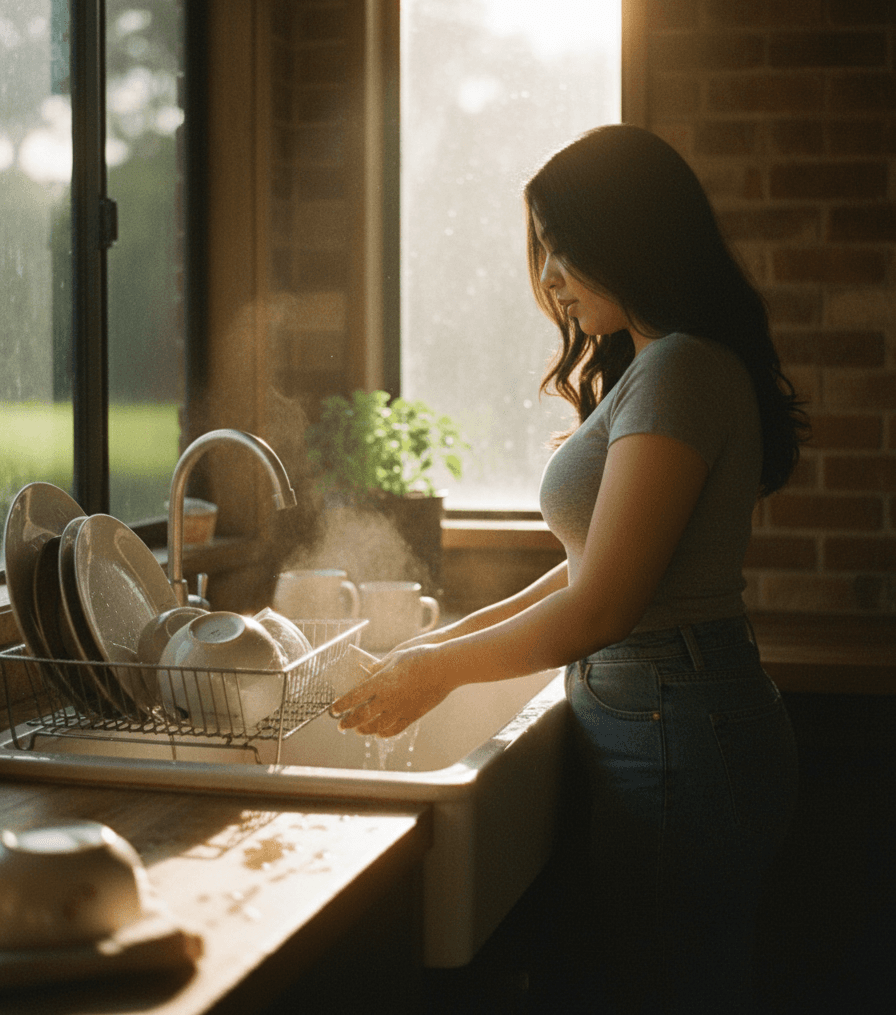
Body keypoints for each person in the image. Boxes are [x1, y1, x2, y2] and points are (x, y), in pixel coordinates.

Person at [331, 125, 805, 1012]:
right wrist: (437, 646)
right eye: (540, 250)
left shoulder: (679, 370)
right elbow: (587, 569)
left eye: (562, 245)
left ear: (630, 233)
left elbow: (601, 609)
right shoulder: (661, 365)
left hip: (677, 724)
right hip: (669, 713)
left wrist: (437, 669)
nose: (547, 277)